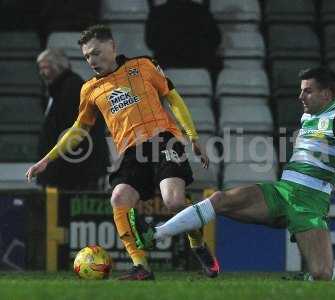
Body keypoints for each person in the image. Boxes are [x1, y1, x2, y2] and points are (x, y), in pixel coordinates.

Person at [137, 67, 335, 281]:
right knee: (219, 199)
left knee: (321, 275)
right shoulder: (307, 117)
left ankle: (311, 275)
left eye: (308, 91)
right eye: (301, 91)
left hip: (311, 202)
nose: (301, 97)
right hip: (283, 191)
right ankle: (155, 234)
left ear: (327, 93)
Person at [26, 25, 219, 280]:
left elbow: (173, 98)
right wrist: (46, 160)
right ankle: (141, 266)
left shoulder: (144, 66)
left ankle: (197, 244)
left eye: (96, 53)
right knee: (119, 198)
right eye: (86, 57)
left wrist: (193, 137)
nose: (92, 61)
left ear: (113, 46)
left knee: (173, 202)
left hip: (163, 141)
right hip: (130, 152)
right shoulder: (90, 90)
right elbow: (79, 129)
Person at [36, 48, 109, 190]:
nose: (42, 73)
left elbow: (74, 133)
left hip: (72, 175)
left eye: (46, 67)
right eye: (40, 68)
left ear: (59, 66)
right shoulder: (59, 90)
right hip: (68, 171)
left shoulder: (71, 89)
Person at [145, 0, 221, 71]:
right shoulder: (201, 11)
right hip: (200, 63)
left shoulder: (157, 12)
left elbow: (150, 43)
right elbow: (216, 40)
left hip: (166, 65)